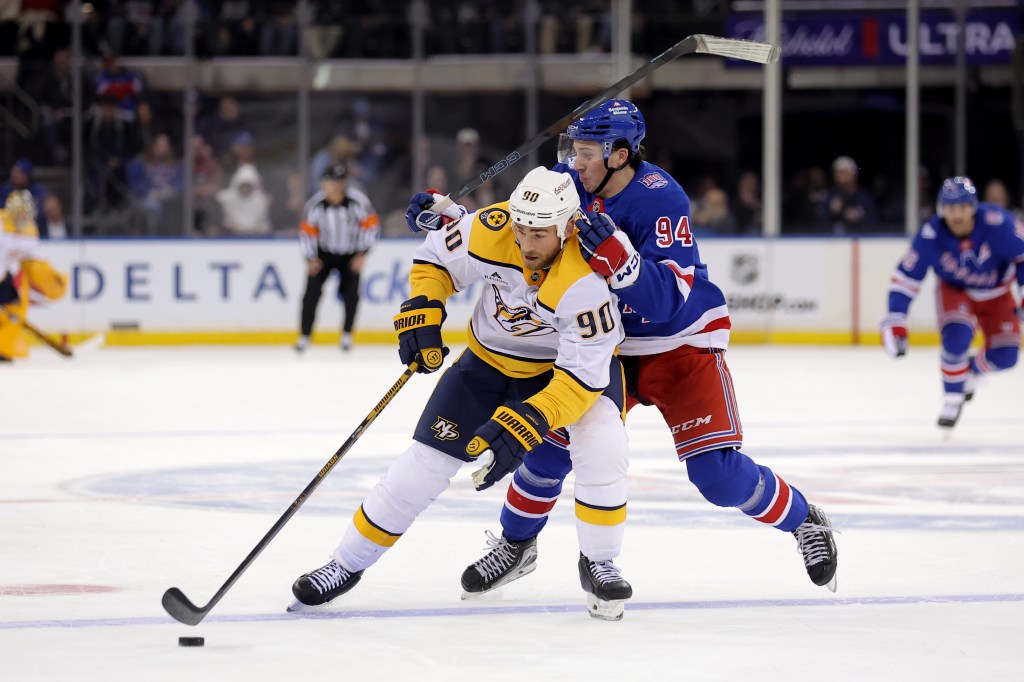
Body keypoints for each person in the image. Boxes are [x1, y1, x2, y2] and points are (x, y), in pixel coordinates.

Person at [408, 100, 839, 596]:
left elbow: (666, 302)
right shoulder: (567, 182)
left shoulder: (661, 198)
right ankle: (516, 544)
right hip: (607, 347)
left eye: (586, 153)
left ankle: (805, 519)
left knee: (717, 476)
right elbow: (518, 229)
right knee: (547, 451)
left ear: (619, 155)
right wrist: (455, 221)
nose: (575, 163)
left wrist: (622, 262)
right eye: (572, 151)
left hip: (680, 345)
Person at [292, 167, 633, 620]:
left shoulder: (587, 276)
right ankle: (344, 563)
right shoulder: (493, 227)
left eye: (539, 234)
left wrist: (532, 419)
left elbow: (582, 378)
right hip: (487, 363)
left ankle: (600, 562)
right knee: (424, 463)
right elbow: (436, 259)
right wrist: (424, 306)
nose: (527, 244)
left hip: (563, 374)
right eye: (522, 229)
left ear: (569, 225)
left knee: (603, 441)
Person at [880, 176, 1024, 428]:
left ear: (973, 207)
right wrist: (895, 317)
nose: (956, 214)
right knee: (957, 336)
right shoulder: (931, 234)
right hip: (955, 290)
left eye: (962, 207)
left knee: (1006, 356)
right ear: (941, 209)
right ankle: (952, 398)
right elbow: (906, 278)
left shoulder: (999, 223)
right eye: (950, 207)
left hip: (997, 293)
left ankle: (971, 371)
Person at [295, 163, 379, 352]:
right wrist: (311, 258)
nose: (332, 186)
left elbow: (371, 227)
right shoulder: (315, 205)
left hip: (350, 254)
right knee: (311, 295)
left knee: (351, 295)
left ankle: (347, 335)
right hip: (323, 255)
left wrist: (362, 253)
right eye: (328, 182)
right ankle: (304, 336)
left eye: (337, 181)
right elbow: (307, 233)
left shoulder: (358, 202)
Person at [0, 190, 67, 362]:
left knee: (14, 309)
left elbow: (36, 260)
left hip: (3, 275)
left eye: (26, 212)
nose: (22, 216)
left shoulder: (30, 230)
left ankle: (3, 348)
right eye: (19, 211)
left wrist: (51, 280)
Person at [823, 155, 877, 234]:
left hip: (859, 238)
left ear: (854, 175)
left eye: (844, 172)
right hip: (834, 239)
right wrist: (831, 211)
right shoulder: (829, 197)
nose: (841, 177)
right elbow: (818, 223)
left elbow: (874, 222)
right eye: (838, 173)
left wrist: (859, 217)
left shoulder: (864, 198)